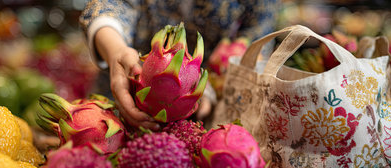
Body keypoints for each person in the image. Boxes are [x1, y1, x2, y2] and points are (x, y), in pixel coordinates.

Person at [79, 0, 280, 130]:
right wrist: (116, 53)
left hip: (210, 118)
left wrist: (212, 83)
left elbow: (258, 35)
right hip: (122, 97)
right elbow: (107, 5)